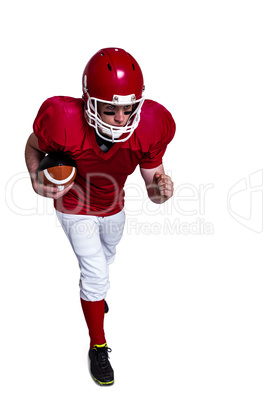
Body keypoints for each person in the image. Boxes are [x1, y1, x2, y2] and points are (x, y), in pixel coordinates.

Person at [25, 47, 176, 386]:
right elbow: (34, 146)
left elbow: (153, 186)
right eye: (110, 109)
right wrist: (36, 176)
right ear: (90, 102)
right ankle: (97, 344)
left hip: (113, 204)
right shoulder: (62, 119)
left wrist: (161, 190)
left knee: (107, 257)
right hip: (74, 204)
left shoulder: (152, 125)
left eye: (128, 109)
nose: (121, 118)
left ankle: (96, 295)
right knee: (95, 272)